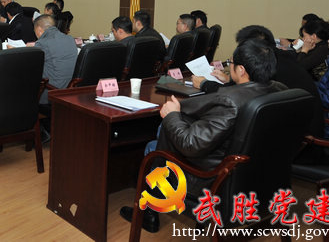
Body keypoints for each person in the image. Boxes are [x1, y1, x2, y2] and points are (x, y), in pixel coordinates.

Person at [121, 38, 284, 233]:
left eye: (231, 63)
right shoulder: (280, 90)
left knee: (153, 148)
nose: (229, 67)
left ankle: (149, 212)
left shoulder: (230, 102)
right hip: (260, 177)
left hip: (213, 179)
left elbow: (191, 144)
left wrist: (172, 116)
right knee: (162, 134)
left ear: (241, 70)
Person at [193, 25, 324, 139]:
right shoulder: (280, 58)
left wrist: (205, 84)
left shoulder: (268, 67)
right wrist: (229, 79)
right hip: (296, 132)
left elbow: (241, 96)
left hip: (303, 138)